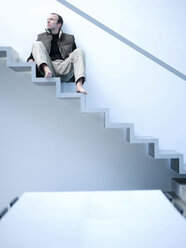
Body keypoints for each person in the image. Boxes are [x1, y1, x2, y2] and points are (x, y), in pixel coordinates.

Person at [27, 13, 87, 94]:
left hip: (63, 67)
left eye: (51, 19)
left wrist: (72, 55)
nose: (48, 21)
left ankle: (79, 86)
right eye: (48, 19)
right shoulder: (41, 37)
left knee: (79, 51)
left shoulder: (69, 38)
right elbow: (33, 55)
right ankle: (46, 70)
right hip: (48, 66)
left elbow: (76, 55)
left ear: (59, 24)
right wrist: (30, 60)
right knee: (37, 44)